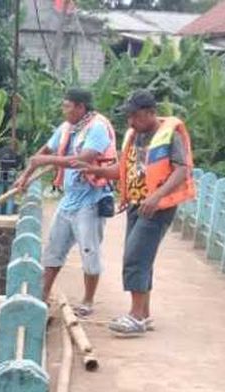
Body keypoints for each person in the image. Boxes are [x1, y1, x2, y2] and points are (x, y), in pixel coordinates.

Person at [82, 90, 196, 338]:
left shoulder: (170, 135)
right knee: (142, 257)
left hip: (157, 207)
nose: (130, 122)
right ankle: (143, 314)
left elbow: (181, 171)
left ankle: (134, 316)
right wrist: (95, 170)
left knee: (135, 257)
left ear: (150, 113)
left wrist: (156, 196)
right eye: (129, 117)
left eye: (134, 116)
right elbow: (124, 170)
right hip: (136, 205)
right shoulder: (134, 136)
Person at [12, 87, 117, 316]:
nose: (64, 110)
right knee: (53, 250)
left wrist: (44, 160)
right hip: (69, 200)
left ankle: (88, 301)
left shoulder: (97, 127)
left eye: (67, 106)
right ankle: (43, 295)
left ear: (80, 107)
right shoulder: (67, 128)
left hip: (90, 200)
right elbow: (45, 150)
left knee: (89, 252)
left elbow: (81, 160)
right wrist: (25, 176)